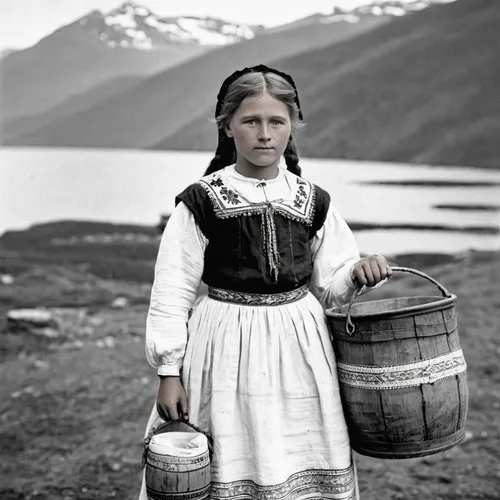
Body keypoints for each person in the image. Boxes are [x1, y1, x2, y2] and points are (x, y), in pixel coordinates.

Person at [139, 64, 392, 500]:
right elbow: (172, 292)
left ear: (291, 127)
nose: (265, 133)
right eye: (251, 121)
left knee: (299, 448)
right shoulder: (202, 200)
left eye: (277, 121)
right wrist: (168, 371)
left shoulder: (311, 200)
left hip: (302, 348)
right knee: (229, 449)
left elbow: (332, 281)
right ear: (228, 127)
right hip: (223, 344)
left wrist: (356, 272)